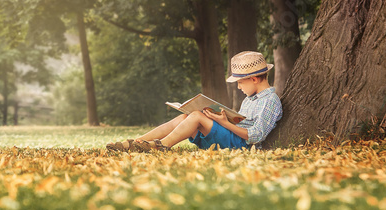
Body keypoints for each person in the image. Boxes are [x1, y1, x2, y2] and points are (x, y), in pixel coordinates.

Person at [106, 51, 283, 152]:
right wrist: (222, 118)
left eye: (240, 82)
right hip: (232, 136)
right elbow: (241, 123)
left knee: (197, 116)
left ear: (253, 79)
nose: (238, 87)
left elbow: (256, 136)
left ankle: (161, 146)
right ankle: (136, 142)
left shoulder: (270, 101)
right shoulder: (250, 99)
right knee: (186, 117)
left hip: (241, 144)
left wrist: (224, 123)